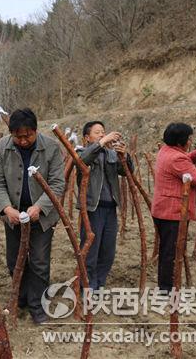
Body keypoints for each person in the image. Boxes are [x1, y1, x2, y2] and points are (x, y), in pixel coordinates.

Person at [0, 108, 65, 324]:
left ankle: (38, 305)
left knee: (40, 262)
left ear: (35, 130)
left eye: (28, 136)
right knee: (14, 260)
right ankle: (21, 296)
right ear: (11, 133)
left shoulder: (50, 147)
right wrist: (6, 208)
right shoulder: (2, 147)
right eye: (18, 136)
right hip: (13, 216)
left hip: (41, 217)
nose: (23, 141)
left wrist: (39, 207)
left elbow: (58, 183)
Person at [151, 122, 196, 293]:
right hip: (173, 212)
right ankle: (167, 290)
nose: (191, 141)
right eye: (189, 139)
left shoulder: (166, 150)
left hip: (163, 209)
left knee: (167, 250)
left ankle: (167, 287)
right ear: (181, 142)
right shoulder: (176, 158)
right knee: (170, 253)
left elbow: (182, 163)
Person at [77, 121, 133, 291]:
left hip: (110, 209)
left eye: (103, 132)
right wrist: (101, 143)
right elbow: (82, 161)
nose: (102, 134)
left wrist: (125, 157)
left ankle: (99, 282)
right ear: (87, 138)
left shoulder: (110, 154)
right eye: (97, 132)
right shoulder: (81, 152)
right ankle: (88, 285)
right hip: (93, 209)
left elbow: (126, 171)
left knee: (108, 250)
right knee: (90, 250)